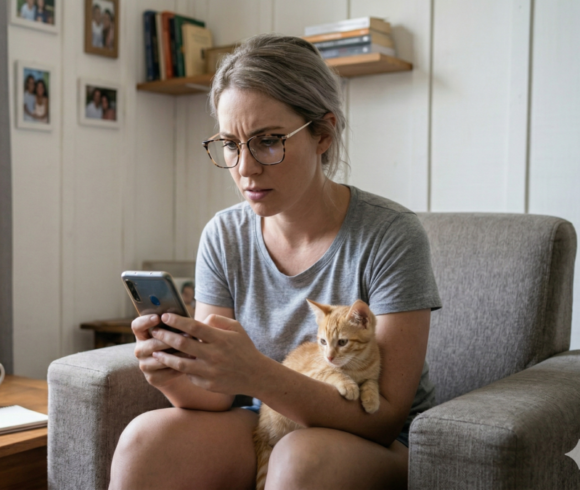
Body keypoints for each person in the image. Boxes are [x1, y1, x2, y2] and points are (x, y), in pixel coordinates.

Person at [109, 34, 441, 490]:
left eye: (267, 142)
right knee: (143, 441)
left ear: (323, 134)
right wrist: (171, 373)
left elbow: (382, 416)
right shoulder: (224, 236)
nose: (245, 168)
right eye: (230, 143)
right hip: (269, 425)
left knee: (299, 461)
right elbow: (217, 396)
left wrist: (258, 373)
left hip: (376, 443)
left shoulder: (391, 237)